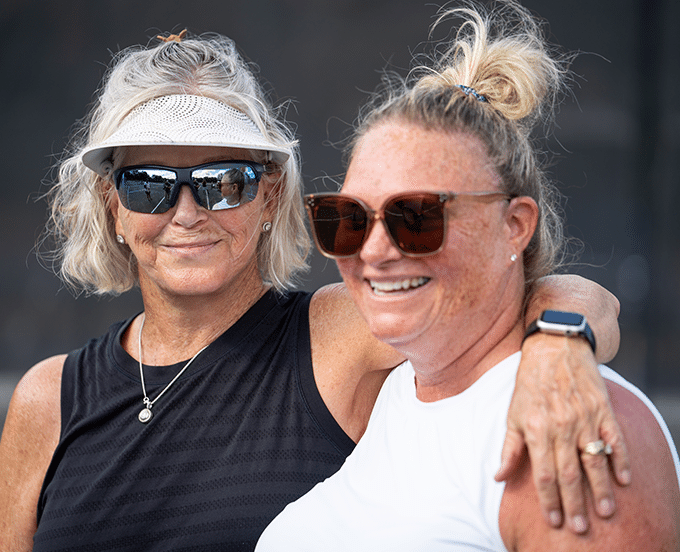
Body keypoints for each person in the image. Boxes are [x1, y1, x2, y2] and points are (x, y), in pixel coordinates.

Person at [0, 26, 626, 552]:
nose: (187, 212)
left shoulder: (337, 335)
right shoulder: (47, 399)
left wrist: (559, 350)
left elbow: (559, 292)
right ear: (112, 205)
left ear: (270, 195)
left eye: (225, 182)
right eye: (149, 185)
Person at [256, 2, 680, 550]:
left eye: (417, 217)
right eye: (349, 219)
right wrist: (562, 334)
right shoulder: (395, 383)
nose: (374, 252)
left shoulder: (570, 423)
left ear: (514, 226)